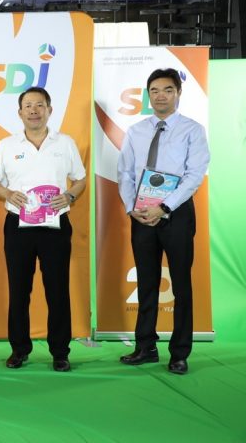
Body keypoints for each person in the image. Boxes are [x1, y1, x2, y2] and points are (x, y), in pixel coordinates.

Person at [117, 68, 210, 375]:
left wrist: (165, 206)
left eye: (168, 90)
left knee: (181, 283)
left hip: (176, 213)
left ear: (178, 93)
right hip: (141, 214)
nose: (161, 96)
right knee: (146, 281)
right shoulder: (136, 131)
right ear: (148, 95)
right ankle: (145, 346)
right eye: (155, 90)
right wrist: (132, 207)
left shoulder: (192, 130)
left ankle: (179, 353)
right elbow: (125, 172)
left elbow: (194, 175)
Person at [0, 87, 86, 372]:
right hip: (18, 226)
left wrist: (69, 195)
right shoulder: (7, 145)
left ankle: (60, 352)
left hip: (55, 226)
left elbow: (80, 179)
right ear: (20, 113)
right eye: (28, 105)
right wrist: (7, 193)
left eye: (39, 105)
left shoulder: (65, 143)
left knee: (58, 290)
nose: (34, 110)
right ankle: (19, 349)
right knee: (19, 290)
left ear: (49, 110)